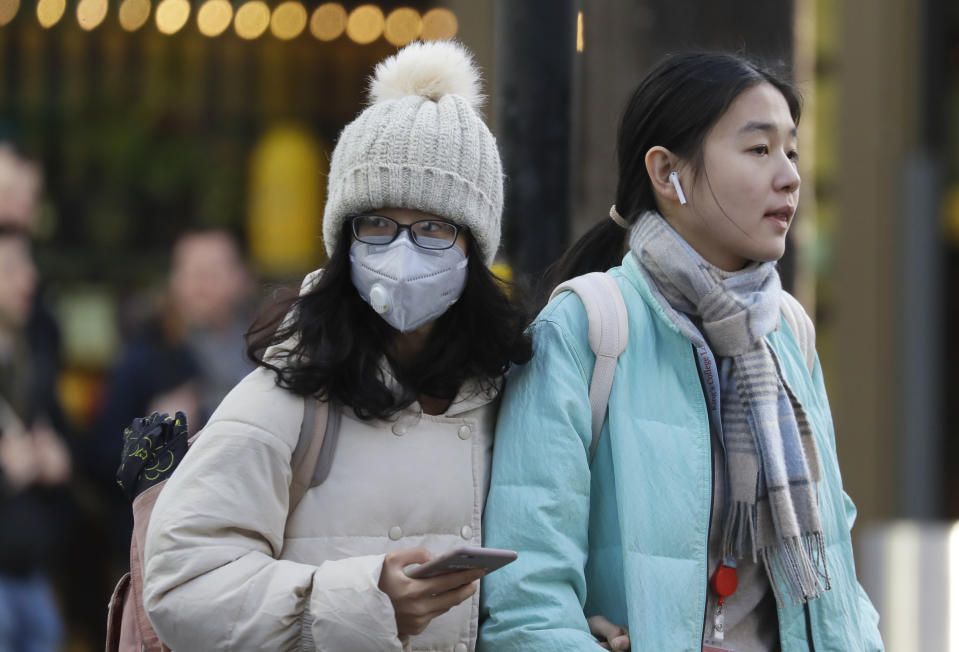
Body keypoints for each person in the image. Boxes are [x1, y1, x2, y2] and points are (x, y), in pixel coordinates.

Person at [139, 41, 628, 652]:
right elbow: (182, 586)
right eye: (376, 224)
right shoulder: (290, 389)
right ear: (343, 240)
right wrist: (367, 599)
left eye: (432, 227)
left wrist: (563, 628)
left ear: (474, 247)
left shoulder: (511, 390)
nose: (401, 252)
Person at [478, 52, 884, 651]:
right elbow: (526, 597)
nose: (790, 176)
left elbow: (835, 567)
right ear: (668, 174)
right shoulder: (587, 326)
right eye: (758, 149)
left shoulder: (787, 331)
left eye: (791, 151)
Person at [0, 224, 72, 652]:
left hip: (32, 571)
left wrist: (59, 460)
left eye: (28, 266)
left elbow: (69, 448)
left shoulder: (33, 361)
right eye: (10, 269)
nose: (29, 280)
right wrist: (9, 473)